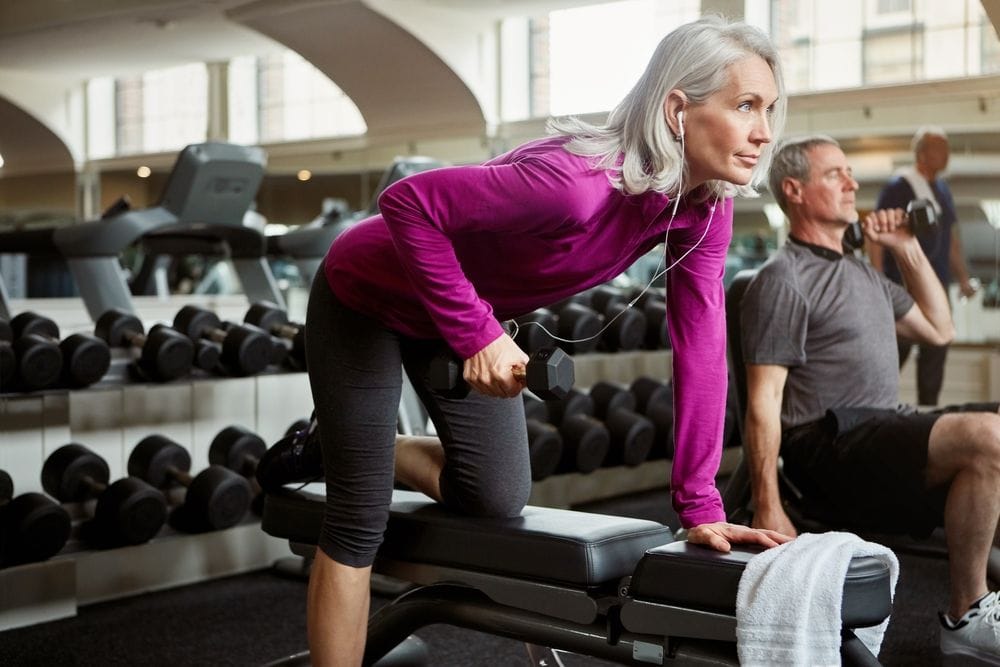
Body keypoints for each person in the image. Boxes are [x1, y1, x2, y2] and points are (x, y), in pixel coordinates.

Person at [257, 16, 792, 666]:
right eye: (745, 106)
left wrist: (699, 501)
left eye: (768, 108)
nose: (764, 131)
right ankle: (355, 459)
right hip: (365, 295)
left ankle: (346, 444)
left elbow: (701, 344)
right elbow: (406, 204)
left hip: (458, 311)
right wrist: (478, 332)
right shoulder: (576, 185)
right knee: (359, 511)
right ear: (679, 109)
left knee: (495, 495)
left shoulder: (704, 205)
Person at [740, 134, 1000, 663]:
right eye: (835, 173)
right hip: (828, 443)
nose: (853, 184)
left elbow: (939, 328)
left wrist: (905, 247)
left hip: (884, 428)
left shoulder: (862, 272)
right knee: (986, 437)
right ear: (794, 189)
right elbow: (764, 400)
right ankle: (965, 617)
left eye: (849, 173)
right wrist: (767, 502)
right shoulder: (783, 280)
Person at [868, 126, 977, 406]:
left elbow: (950, 238)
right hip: (904, 287)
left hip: (938, 286)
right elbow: (878, 233)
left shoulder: (942, 190)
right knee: (894, 355)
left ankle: (929, 415)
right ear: (922, 153)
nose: (947, 154)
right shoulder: (900, 186)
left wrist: (963, 278)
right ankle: (872, 408)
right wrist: (879, 279)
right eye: (941, 148)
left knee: (936, 351)